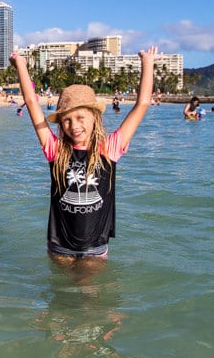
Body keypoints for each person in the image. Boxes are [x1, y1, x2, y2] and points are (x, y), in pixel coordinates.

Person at [9, 46, 157, 261]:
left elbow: (142, 104)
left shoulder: (109, 149)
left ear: (95, 118)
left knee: (91, 294)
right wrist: (21, 65)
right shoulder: (56, 150)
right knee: (62, 295)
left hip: (95, 249)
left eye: (80, 118)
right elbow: (32, 103)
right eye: (66, 120)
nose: (73, 125)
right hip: (60, 247)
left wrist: (148, 61)